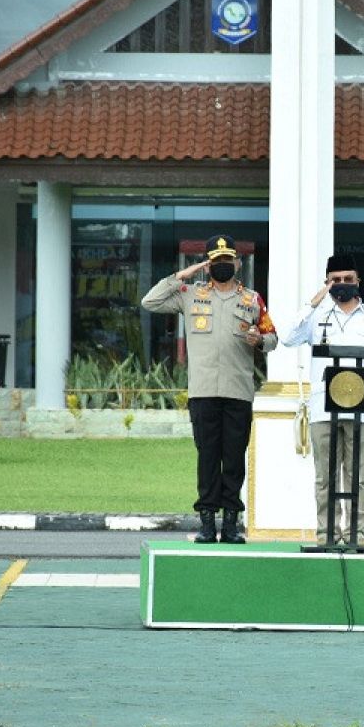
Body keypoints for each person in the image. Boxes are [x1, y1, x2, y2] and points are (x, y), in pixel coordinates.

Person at [140, 234, 278, 545]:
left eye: (227, 261)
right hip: (202, 391)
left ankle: (231, 523)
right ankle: (206, 522)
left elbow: (272, 338)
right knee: (207, 458)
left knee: (233, 458)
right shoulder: (190, 294)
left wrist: (260, 341)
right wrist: (181, 275)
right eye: (216, 262)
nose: (223, 266)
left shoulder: (252, 299)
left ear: (237, 264)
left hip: (238, 391)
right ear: (207, 265)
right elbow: (150, 301)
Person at [283, 254, 364, 546]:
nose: (343, 284)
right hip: (323, 407)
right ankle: (327, 533)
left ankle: (356, 534)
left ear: (358, 281)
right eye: (336, 280)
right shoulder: (318, 316)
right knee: (325, 477)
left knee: (359, 477)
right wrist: (312, 302)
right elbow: (287, 337)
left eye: (348, 279)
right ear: (327, 282)